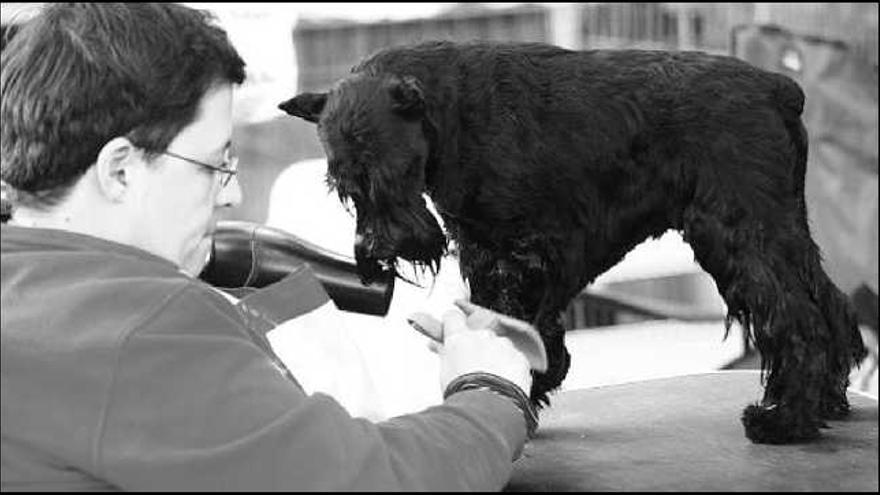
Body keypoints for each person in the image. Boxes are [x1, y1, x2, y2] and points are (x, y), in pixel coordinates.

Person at [0, 3, 539, 491]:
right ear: (120, 170)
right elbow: (371, 481)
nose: (231, 193)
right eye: (214, 164)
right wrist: (488, 391)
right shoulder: (140, 331)